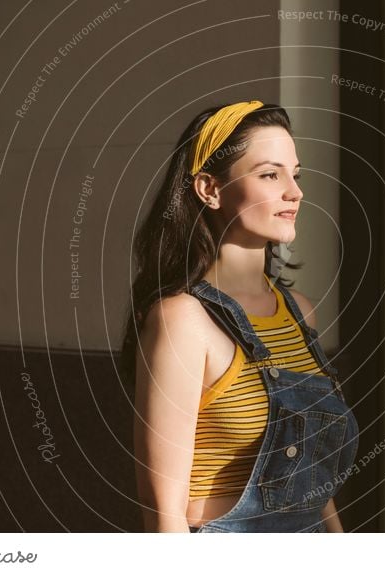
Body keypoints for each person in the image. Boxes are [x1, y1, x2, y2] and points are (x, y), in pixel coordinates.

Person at [120, 100, 359, 533]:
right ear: (210, 189)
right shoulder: (182, 320)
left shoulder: (299, 312)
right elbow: (162, 509)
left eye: (296, 174)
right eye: (270, 174)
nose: (295, 191)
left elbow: (312, 481)